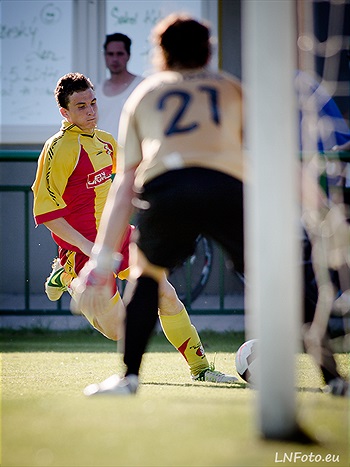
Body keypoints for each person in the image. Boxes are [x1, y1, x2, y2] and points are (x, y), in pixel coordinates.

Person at [73, 14, 349, 397]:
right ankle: (334, 380)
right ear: (208, 50)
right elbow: (275, 155)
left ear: (161, 53)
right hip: (226, 187)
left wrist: (102, 258)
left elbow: (126, 182)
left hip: (167, 187)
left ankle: (128, 378)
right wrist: (321, 210)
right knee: (280, 281)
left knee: (146, 277)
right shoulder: (231, 88)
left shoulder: (145, 94)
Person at [32, 71, 237, 384]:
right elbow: (47, 213)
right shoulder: (58, 149)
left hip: (121, 237)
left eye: (93, 103)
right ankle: (68, 276)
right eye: (81, 106)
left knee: (166, 294)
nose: (90, 111)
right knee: (117, 330)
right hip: (83, 247)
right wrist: (90, 249)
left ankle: (202, 369)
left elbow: (128, 186)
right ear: (65, 112)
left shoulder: (107, 142)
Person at [94, 33, 144, 139]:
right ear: (105, 56)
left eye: (120, 54)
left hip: (133, 153)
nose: (115, 59)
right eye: (110, 54)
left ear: (128, 55)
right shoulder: (94, 91)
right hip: (103, 153)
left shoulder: (142, 86)